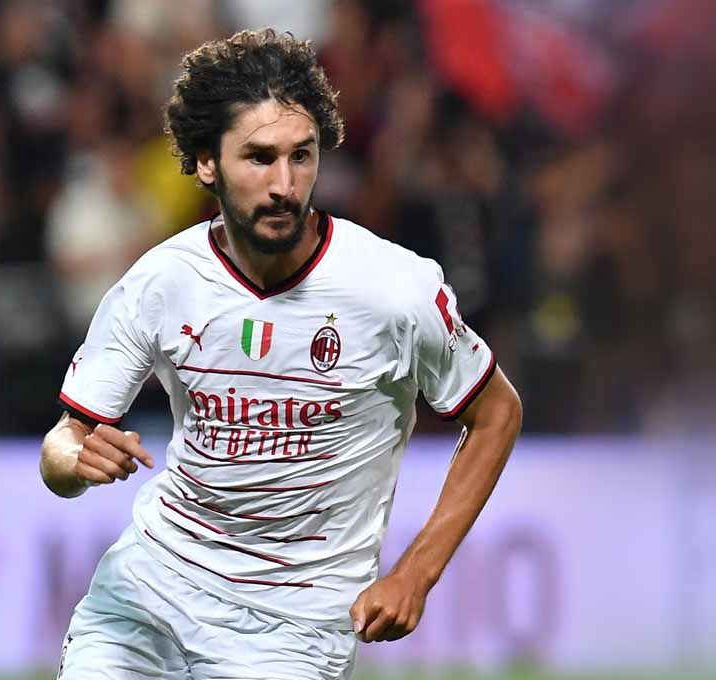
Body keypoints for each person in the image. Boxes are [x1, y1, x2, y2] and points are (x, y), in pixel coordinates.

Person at [39, 29, 522, 680]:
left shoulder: (393, 289)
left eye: (302, 156)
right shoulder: (161, 282)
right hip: (148, 595)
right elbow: (62, 444)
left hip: (292, 634)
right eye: (259, 158)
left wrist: (416, 573)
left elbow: (496, 413)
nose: (284, 184)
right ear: (207, 162)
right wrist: (76, 457)